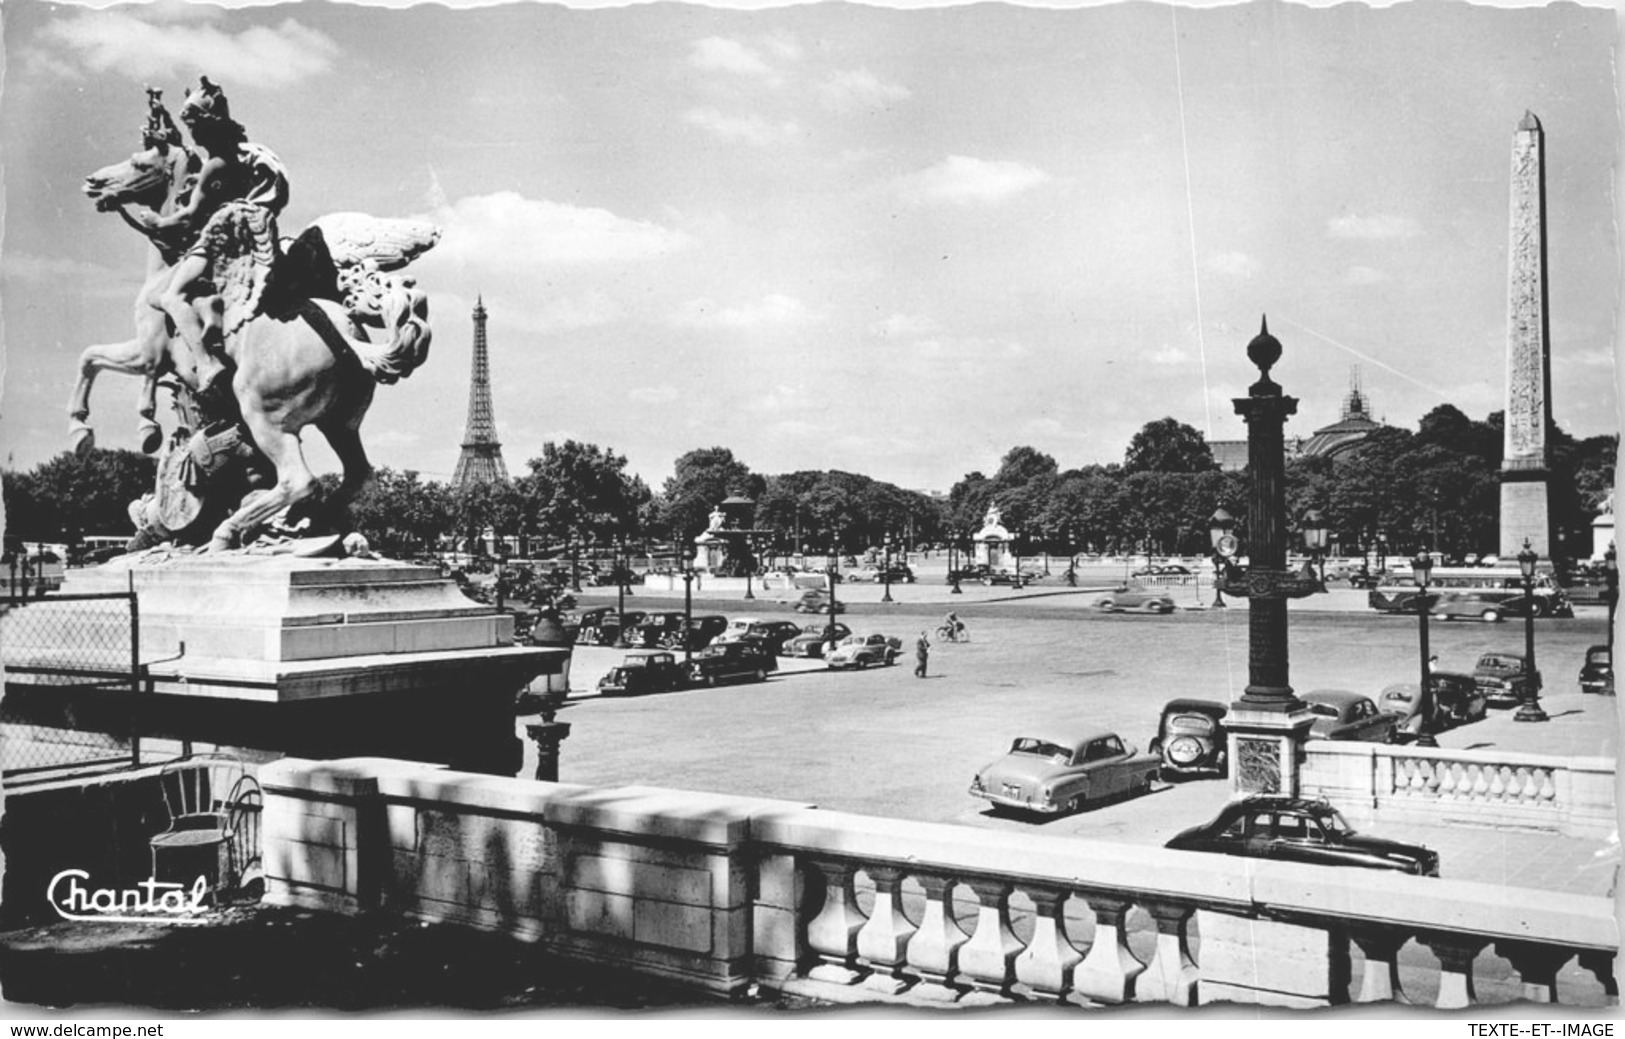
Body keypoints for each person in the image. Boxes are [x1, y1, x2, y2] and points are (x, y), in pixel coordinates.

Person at [133, 78, 288, 406]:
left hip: (213, 244)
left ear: (203, 128)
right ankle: (209, 307)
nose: (192, 133)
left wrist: (159, 222)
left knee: (170, 296)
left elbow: (190, 215)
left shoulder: (214, 165)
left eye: (193, 126)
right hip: (240, 242)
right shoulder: (242, 158)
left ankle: (206, 364)